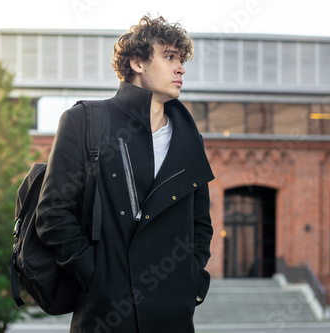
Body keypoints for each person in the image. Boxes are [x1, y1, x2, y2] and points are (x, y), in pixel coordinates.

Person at [36, 14, 215, 333]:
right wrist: (96, 276)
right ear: (137, 62)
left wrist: (191, 279)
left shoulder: (190, 138)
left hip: (173, 317)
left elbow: (200, 223)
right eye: (169, 56)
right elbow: (52, 214)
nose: (181, 68)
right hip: (105, 316)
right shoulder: (85, 122)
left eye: (182, 59)